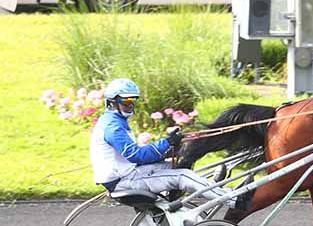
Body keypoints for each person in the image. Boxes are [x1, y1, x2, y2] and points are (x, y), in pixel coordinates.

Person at [90, 78, 249, 210]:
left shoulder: (114, 121)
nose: (131, 106)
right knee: (182, 175)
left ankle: (205, 188)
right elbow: (136, 156)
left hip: (127, 174)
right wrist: (166, 143)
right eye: (126, 102)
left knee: (178, 166)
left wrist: (169, 148)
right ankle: (234, 199)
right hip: (124, 181)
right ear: (112, 103)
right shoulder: (113, 127)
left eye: (133, 101)